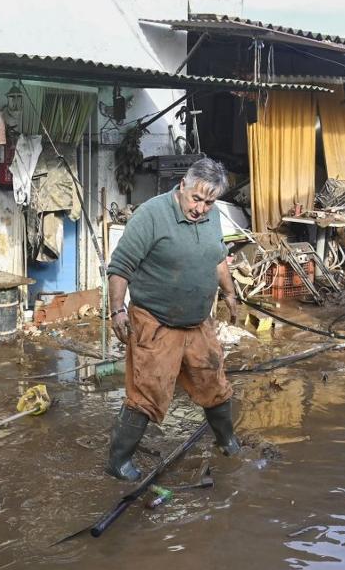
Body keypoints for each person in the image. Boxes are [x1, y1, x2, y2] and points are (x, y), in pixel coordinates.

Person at [103, 157, 241, 481]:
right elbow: (120, 267)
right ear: (182, 187)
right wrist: (117, 310)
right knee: (147, 393)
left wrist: (230, 293)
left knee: (215, 383)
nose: (201, 208)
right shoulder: (151, 215)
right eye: (196, 198)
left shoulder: (212, 217)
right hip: (155, 321)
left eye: (209, 202)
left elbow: (218, 258)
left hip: (197, 323)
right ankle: (118, 462)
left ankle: (227, 441)